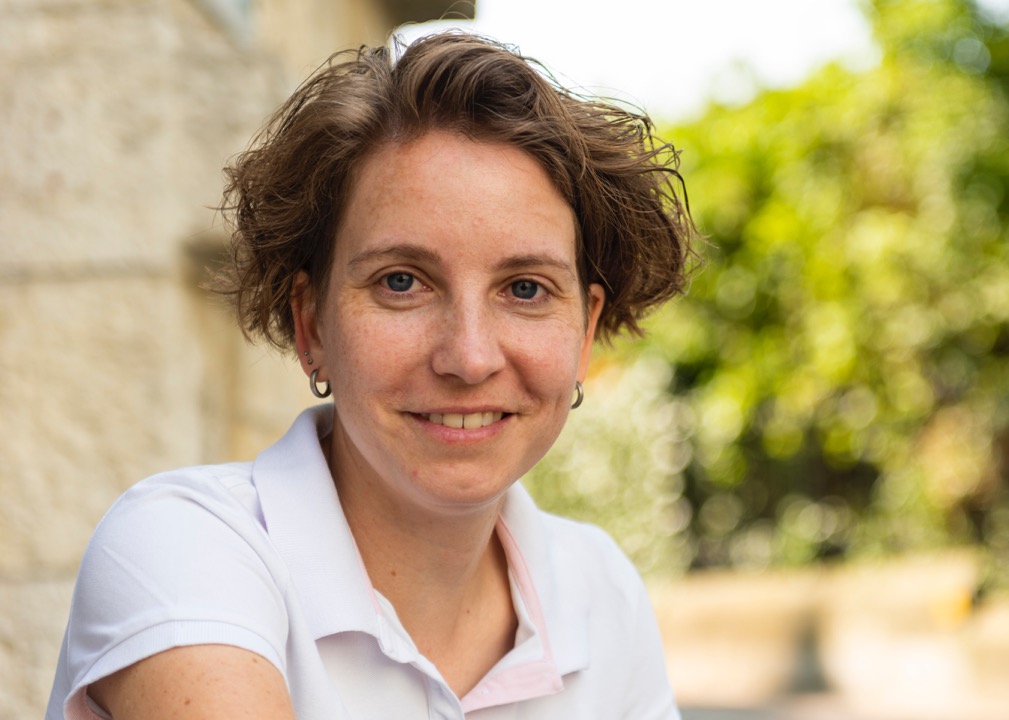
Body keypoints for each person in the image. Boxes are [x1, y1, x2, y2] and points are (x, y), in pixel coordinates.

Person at [46, 31, 695, 720]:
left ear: (585, 333)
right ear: (311, 325)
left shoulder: (603, 592)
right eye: (401, 281)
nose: (469, 357)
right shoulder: (181, 548)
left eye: (526, 289)